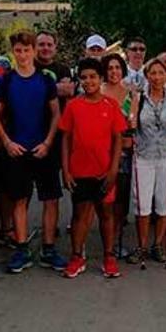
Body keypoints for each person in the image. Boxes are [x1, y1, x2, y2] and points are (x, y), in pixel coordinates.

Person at [0, 31, 66, 273]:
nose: (22, 55)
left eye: (26, 50)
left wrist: (47, 142)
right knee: (19, 199)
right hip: (17, 150)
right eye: (18, 50)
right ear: (13, 52)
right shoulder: (5, 81)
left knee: (51, 199)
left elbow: (56, 114)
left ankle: (48, 248)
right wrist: (7, 143)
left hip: (43, 149)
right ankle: (21, 248)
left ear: (34, 51)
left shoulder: (45, 80)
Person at [60, 58, 126, 278]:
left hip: (104, 172)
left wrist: (114, 168)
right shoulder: (73, 106)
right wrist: (66, 170)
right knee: (80, 214)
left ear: (101, 79)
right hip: (79, 172)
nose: (89, 81)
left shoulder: (111, 105)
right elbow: (66, 139)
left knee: (106, 213)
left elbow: (118, 139)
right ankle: (77, 256)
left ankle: (109, 257)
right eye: (84, 77)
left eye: (93, 77)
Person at [126, 58, 166, 267]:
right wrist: (130, 123)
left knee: (164, 203)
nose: (157, 77)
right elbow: (132, 120)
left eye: (160, 73)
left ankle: (158, 244)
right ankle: (141, 245)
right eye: (153, 73)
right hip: (143, 155)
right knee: (142, 204)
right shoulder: (139, 98)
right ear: (147, 75)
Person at [101, 53, 136, 256]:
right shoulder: (98, 92)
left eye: (117, 67)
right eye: (110, 68)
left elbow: (132, 126)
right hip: (101, 152)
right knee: (101, 199)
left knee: (120, 200)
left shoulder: (131, 94)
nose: (114, 72)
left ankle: (116, 241)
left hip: (123, 153)